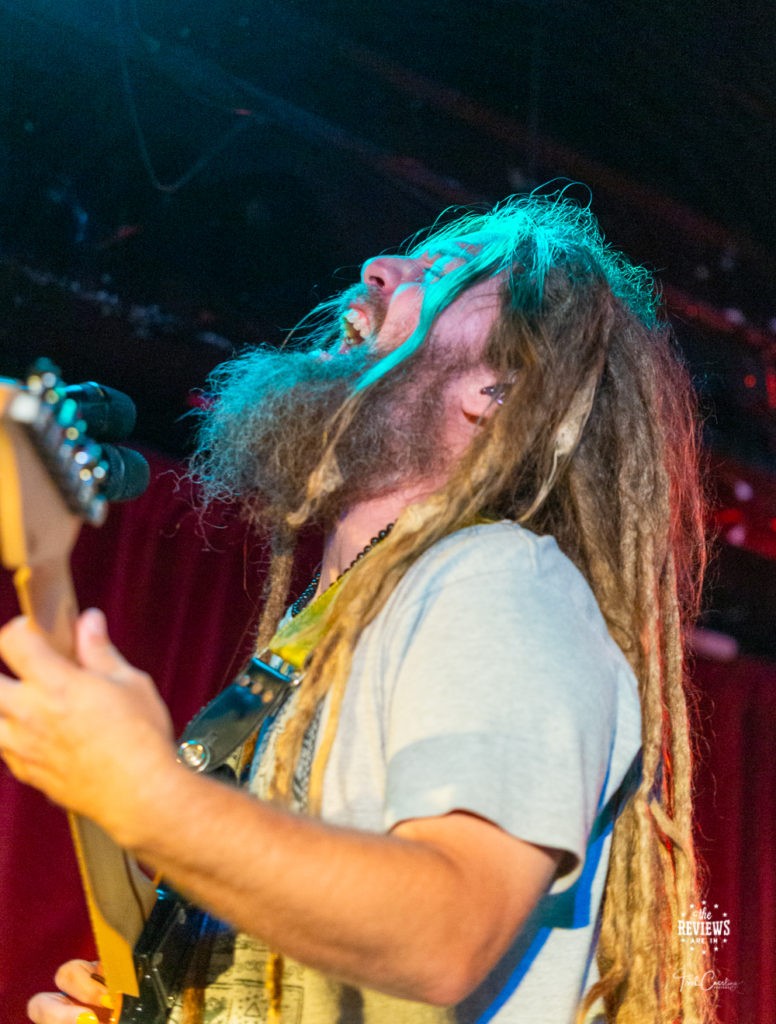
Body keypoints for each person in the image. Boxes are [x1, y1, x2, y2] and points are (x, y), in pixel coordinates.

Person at [0, 193, 712, 1024]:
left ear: (498, 390)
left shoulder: (500, 578)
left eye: (444, 275)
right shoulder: (329, 629)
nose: (379, 267)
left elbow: (448, 935)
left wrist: (154, 799)